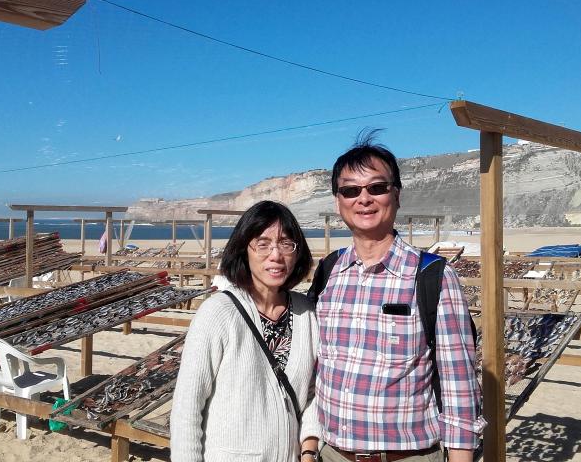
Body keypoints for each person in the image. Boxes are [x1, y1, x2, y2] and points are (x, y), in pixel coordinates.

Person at [310, 129, 485, 462]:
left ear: (397, 194)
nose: (364, 199)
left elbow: (459, 386)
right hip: (331, 453)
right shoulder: (328, 271)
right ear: (338, 201)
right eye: (350, 190)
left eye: (377, 187)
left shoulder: (433, 276)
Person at [170, 200, 320, 462]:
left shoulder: (307, 314)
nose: (276, 255)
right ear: (244, 250)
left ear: (297, 252)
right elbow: (187, 409)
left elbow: (313, 396)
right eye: (262, 244)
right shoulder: (217, 313)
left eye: (286, 244)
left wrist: (308, 450)